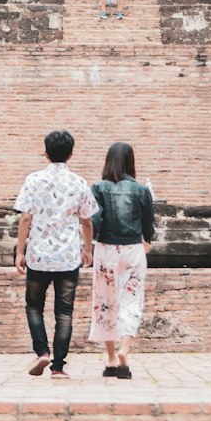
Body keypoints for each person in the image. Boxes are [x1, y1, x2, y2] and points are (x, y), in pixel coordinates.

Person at [15, 129, 98, 379]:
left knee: (34, 307)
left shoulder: (33, 179)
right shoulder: (79, 182)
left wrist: (20, 251)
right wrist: (88, 249)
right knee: (64, 312)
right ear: (71, 153)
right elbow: (87, 221)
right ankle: (59, 367)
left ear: (46, 152)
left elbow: (25, 217)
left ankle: (42, 352)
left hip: (38, 256)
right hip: (67, 256)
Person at [89, 142, 155, 380]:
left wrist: (88, 245)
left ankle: (110, 360)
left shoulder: (97, 188)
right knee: (131, 300)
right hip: (133, 249)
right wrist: (145, 243)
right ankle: (124, 349)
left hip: (106, 248)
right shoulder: (141, 190)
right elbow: (149, 225)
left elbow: (94, 221)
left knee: (105, 302)